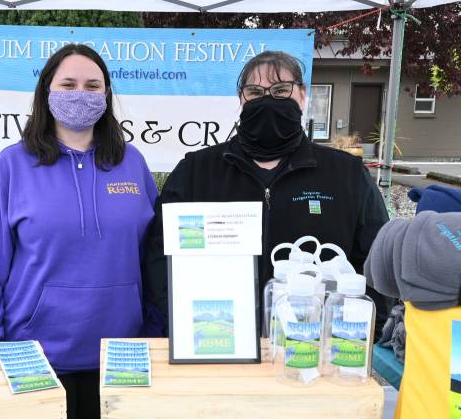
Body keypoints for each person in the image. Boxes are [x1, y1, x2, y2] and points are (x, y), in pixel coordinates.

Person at [0, 43, 157, 419]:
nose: (81, 94)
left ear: (106, 97)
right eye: (68, 84)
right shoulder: (13, 165)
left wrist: (156, 332)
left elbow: (153, 258)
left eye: (93, 86)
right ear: (47, 92)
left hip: (121, 361)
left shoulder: (132, 163)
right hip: (37, 362)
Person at [144, 50, 390, 334]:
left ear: (302, 94)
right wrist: (181, 317)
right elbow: (160, 256)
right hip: (218, 338)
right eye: (255, 92)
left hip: (313, 348)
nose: (268, 100)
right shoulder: (196, 172)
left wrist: (366, 331)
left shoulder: (346, 174)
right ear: (241, 98)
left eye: (280, 90)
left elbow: (376, 261)